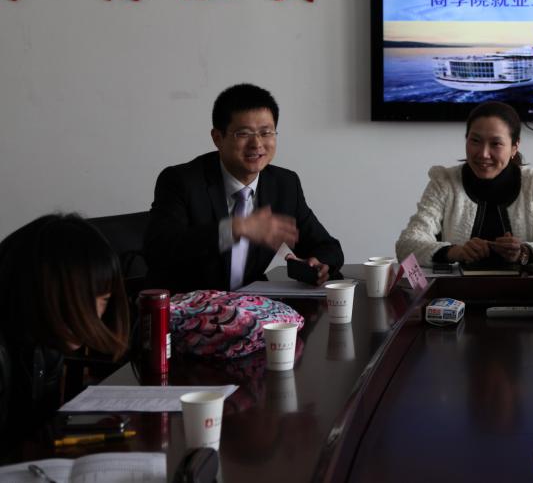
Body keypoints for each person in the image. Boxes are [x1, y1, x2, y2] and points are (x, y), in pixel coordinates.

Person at [144, 83, 343, 294]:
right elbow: (158, 250)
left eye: (266, 132)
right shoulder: (181, 181)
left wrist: (320, 264)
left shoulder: (284, 184)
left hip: (250, 307)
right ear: (217, 138)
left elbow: (329, 247)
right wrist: (235, 229)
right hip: (187, 306)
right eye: (243, 134)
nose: (256, 144)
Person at [396, 101, 533, 268]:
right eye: (475, 141)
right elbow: (406, 246)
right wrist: (456, 252)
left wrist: (524, 252)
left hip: (523, 290)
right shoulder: (444, 182)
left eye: (496, 143)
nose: (483, 154)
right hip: (456, 291)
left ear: (514, 147)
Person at [0, 214, 130, 445]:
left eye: (104, 300)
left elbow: (38, 432)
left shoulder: (45, 339)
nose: (95, 316)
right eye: (88, 300)